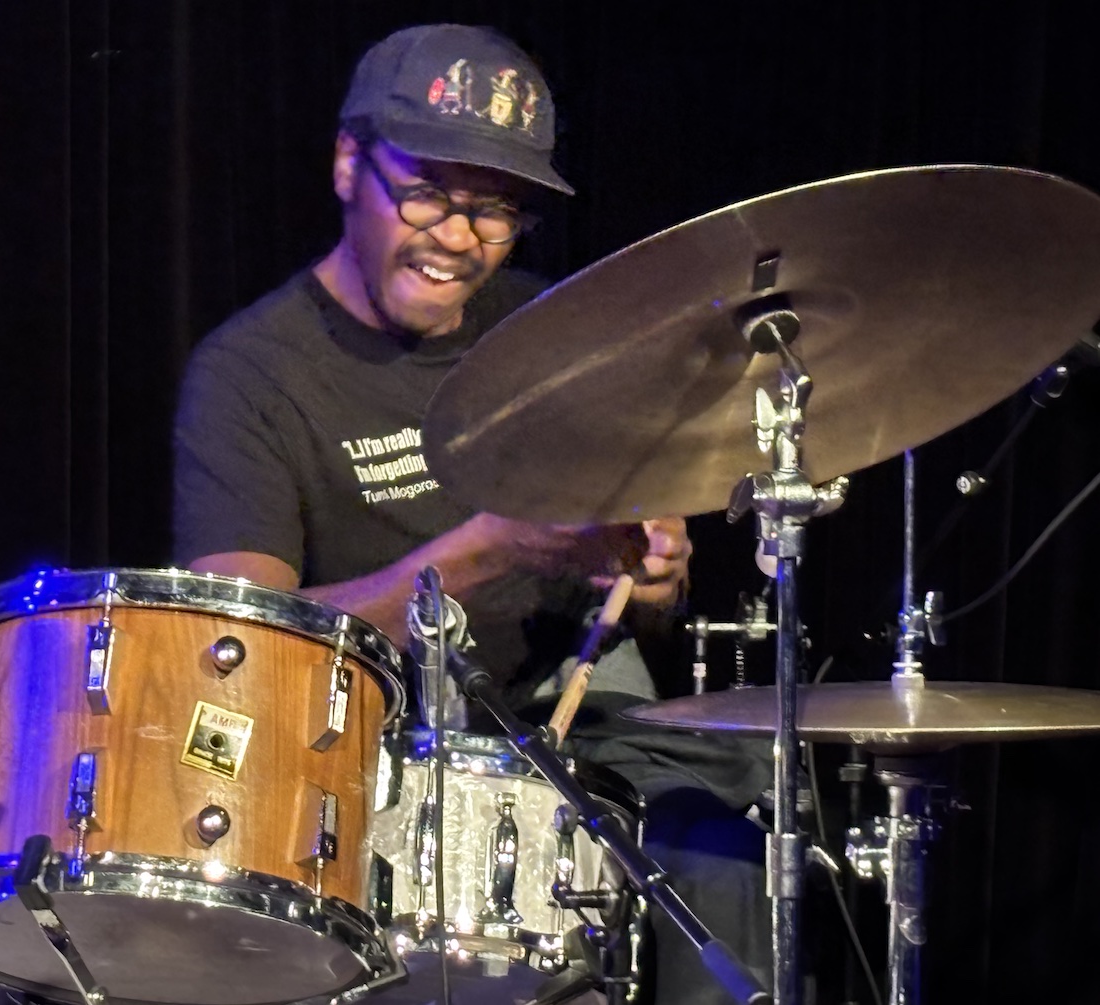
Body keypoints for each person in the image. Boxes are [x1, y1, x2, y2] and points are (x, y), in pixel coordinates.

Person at [171, 23, 774, 1005]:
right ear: (347, 164)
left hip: (574, 721)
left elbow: (652, 594)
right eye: (427, 193)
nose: (459, 238)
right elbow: (239, 653)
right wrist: (486, 553)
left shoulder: (554, 333)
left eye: (494, 211)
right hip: (369, 751)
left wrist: (655, 571)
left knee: (723, 844)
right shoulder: (251, 375)